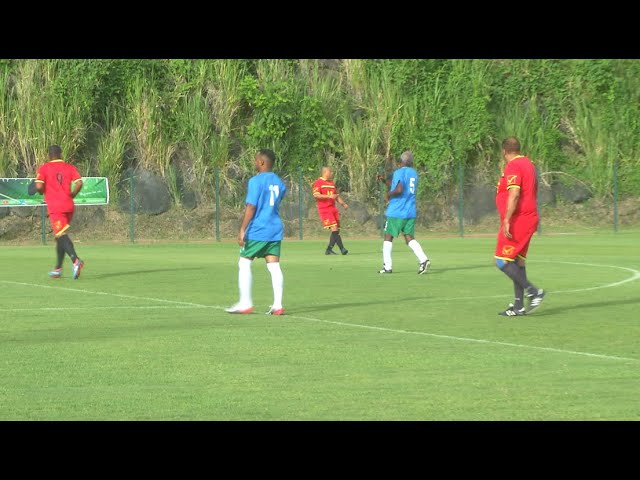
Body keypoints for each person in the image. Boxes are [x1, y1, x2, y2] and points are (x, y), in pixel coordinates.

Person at [226, 148, 287, 315]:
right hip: (274, 229)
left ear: (261, 162)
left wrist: (242, 229)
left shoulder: (255, 181)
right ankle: (278, 305)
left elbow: (251, 206)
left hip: (258, 229)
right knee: (274, 266)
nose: (254, 162)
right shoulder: (280, 183)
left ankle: (245, 303)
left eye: (256, 160)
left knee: (244, 262)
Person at [494, 137, 545, 316]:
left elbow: (514, 194)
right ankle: (518, 306)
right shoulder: (528, 164)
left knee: (501, 261)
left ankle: (534, 292)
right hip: (529, 217)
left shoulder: (514, 165)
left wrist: (507, 219)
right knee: (517, 261)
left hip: (519, 219)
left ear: (504, 151)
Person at [31, 145, 85, 280]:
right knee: (59, 237)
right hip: (69, 205)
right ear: (61, 154)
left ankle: (76, 260)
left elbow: (38, 186)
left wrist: (41, 191)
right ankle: (58, 269)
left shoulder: (44, 168)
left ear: (49, 155)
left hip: (56, 207)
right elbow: (79, 183)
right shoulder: (69, 167)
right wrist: (72, 194)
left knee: (61, 234)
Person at [377, 150, 430, 275]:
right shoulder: (414, 173)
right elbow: (398, 186)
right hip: (410, 211)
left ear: (400, 161)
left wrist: (388, 194)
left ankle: (387, 267)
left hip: (397, 211)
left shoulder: (399, 172)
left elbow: (399, 190)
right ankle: (423, 259)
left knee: (388, 236)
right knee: (409, 238)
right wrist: (385, 181)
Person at [312, 166, 349, 255]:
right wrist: (328, 196)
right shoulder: (318, 183)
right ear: (325, 172)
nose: (331, 173)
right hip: (325, 209)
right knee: (334, 228)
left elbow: (336, 195)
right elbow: (316, 195)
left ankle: (329, 250)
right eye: (330, 172)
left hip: (333, 208)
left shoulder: (331, 183)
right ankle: (342, 249)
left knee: (336, 230)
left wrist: (343, 204)